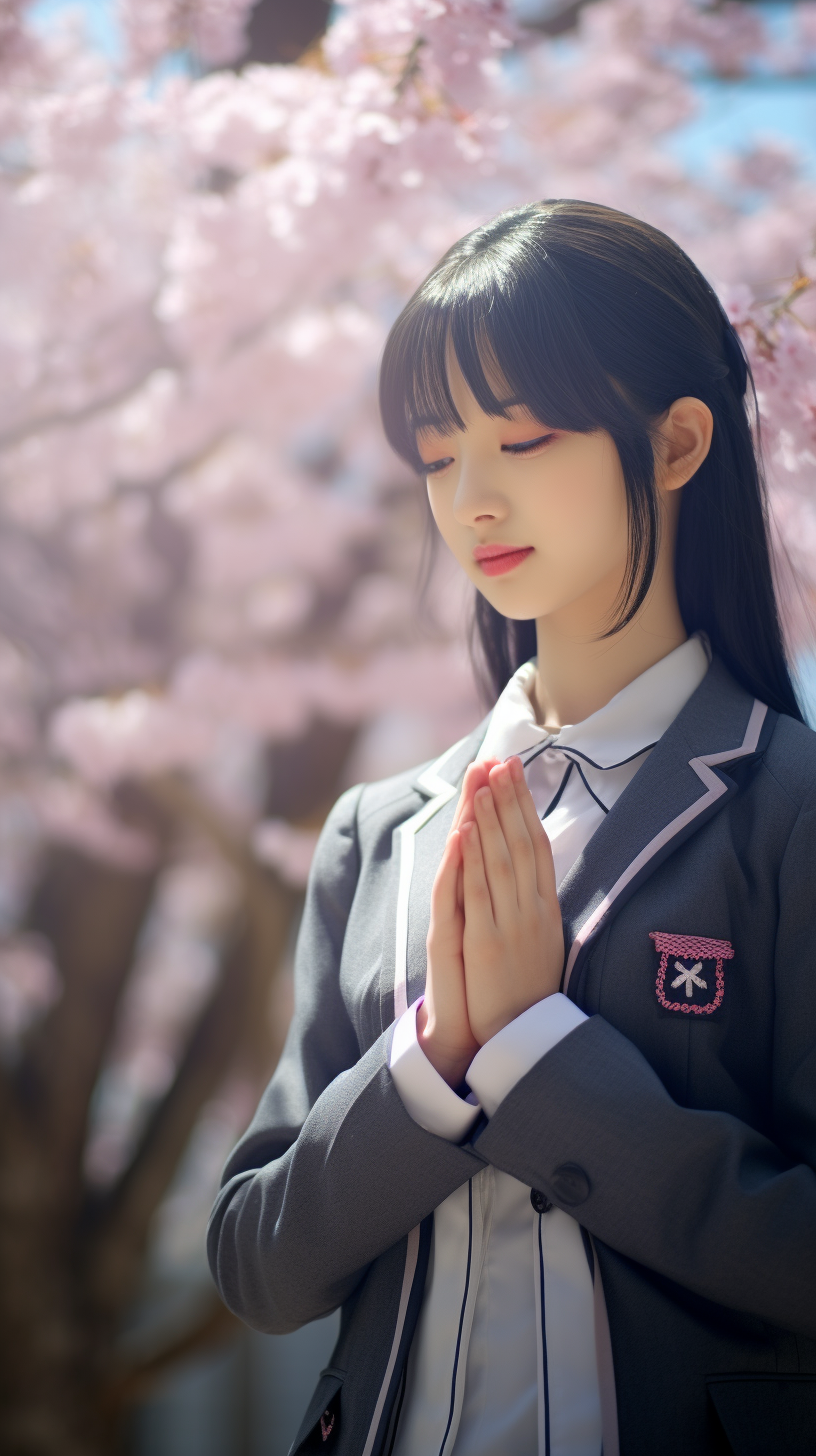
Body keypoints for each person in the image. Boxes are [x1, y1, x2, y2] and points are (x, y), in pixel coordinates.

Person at [207, 200, 816, 1456]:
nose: (472, 501)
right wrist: (431, 1066)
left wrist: (541, 1062)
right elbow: (256, 1265)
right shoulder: (377, 834)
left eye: (524, 438)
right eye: (438, 457)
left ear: (681, 440)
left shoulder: (789, 813)